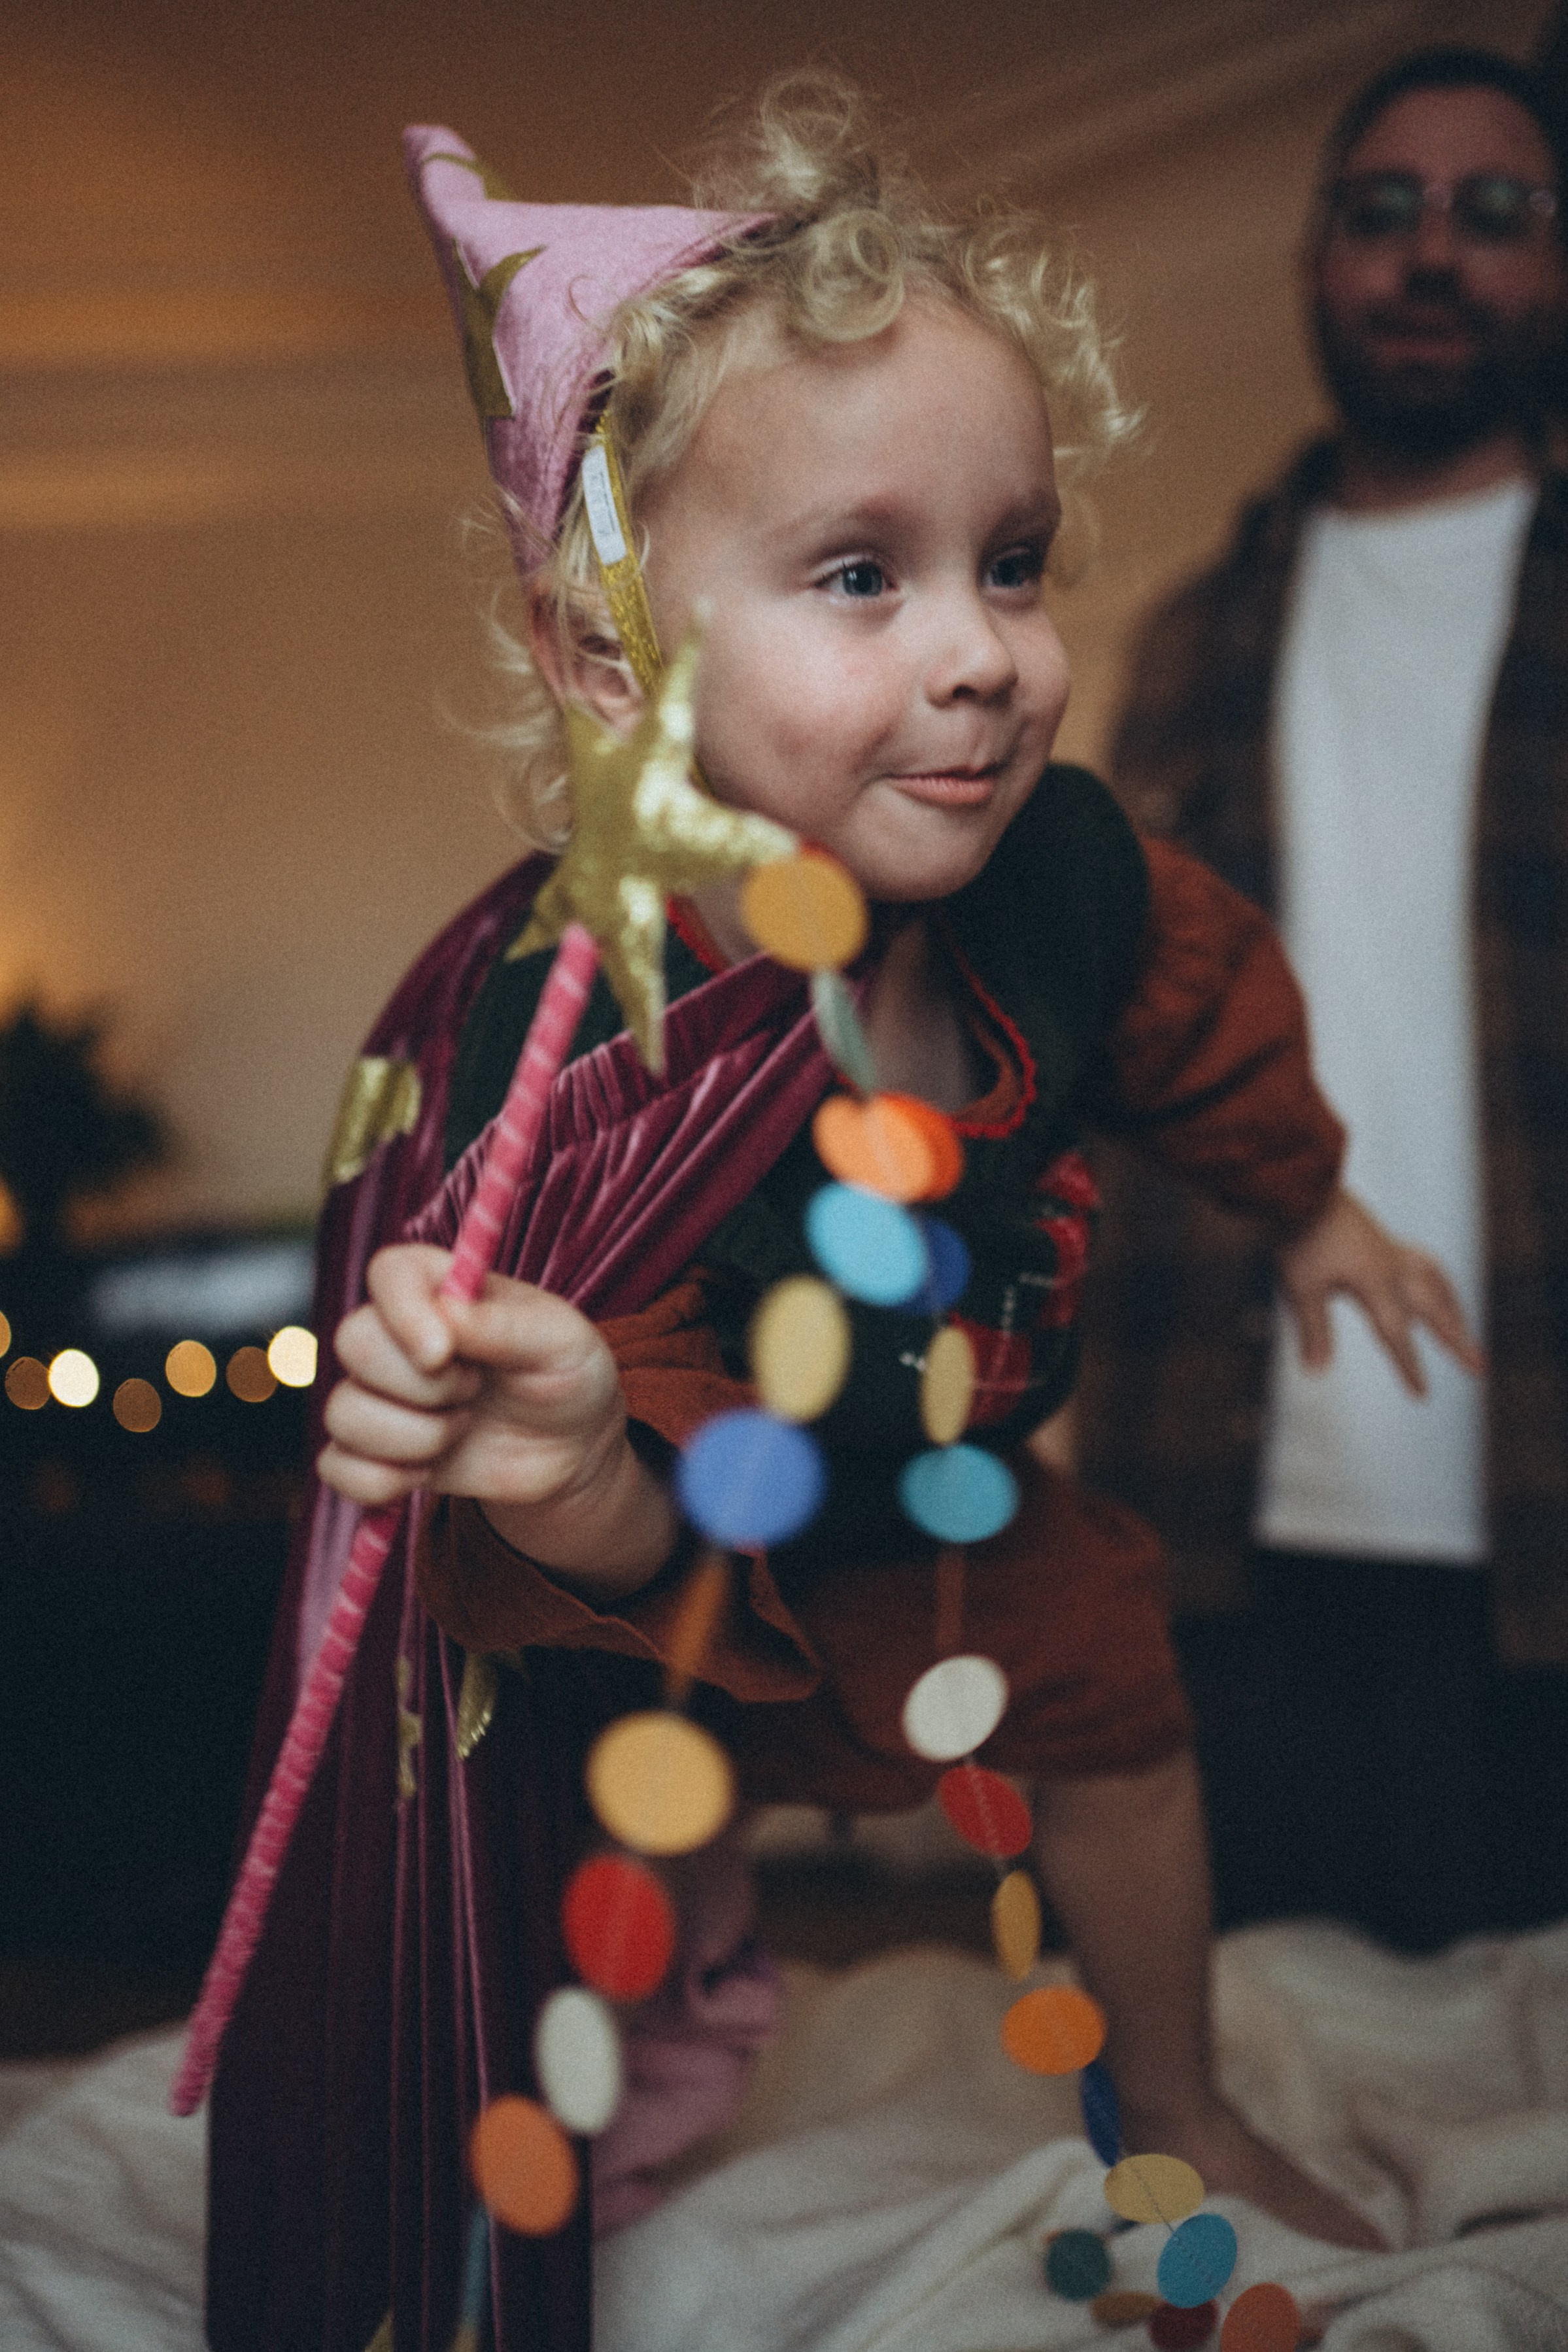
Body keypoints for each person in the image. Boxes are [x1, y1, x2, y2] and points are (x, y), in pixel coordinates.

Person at [206, 78, 1474, 2351]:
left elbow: (1202, 1022)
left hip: (952, 1497)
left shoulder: (1056, 874)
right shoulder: (597, 1059)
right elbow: (540, 1524)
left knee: (1117, 1693)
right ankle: (624, 2051)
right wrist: (585, 1456)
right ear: (612, 656)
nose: (981, 652)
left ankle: (1175, 2097)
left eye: (1014, 559)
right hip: (667, 1587)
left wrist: (1316, 1222)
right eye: (862, 577)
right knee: (615, 1895)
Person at [1096, 46, 1568, 1954]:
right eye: (1382, 210)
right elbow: (1097, 1032)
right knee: (1264, 2090)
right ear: (1314, 267)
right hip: (1215, 1494)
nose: (1430, 254)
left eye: (1494, 211)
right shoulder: (1185, 638)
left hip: (1538, 1491)